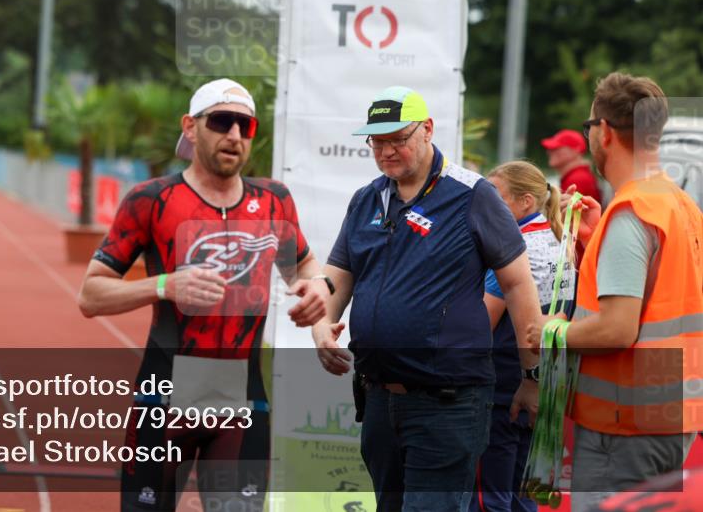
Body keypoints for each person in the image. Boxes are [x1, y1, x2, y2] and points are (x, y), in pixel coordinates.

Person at [77, 78, 330, 512]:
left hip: (243, 396)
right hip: (165, 391)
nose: (234, 135)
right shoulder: (151, 199)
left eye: (245, 126)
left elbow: (303, 267)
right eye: (222, 122)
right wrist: (164, 285)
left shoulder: (274, 202)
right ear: (191, 128)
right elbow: (90, 294)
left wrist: (315, 292)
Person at [301, 86, 543, 512]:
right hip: (379, 399)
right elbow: (337, 277)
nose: (387, 151)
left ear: (428, 130)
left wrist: (532, 375)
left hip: (448, 403)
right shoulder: (366, 199)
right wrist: (322, 326)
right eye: (377, 141)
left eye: (398, 138)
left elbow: (519, 284)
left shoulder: (473, 194)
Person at [526, 73, 703, 512]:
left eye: (589, 127)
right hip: (666, 409)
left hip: (626, 422)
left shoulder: (633, 211)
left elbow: (619, 327)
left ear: (604, 131)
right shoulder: (677, 203)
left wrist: (554, 331)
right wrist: (590, 242)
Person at [470, 161, 572, 512]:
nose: (484, 207)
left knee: (492, 495)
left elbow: (483, 319)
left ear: (526, 201)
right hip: (548, 383)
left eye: (495, 198)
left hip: (505, 385)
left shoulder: (514, 249)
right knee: (523, 494)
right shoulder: (563, 241)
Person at [541, 129, 602, 204]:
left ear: (576, 149)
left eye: (557, 148)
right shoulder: (577, 176)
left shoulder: (577, 180)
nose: (549, 151)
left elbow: (570, 215)